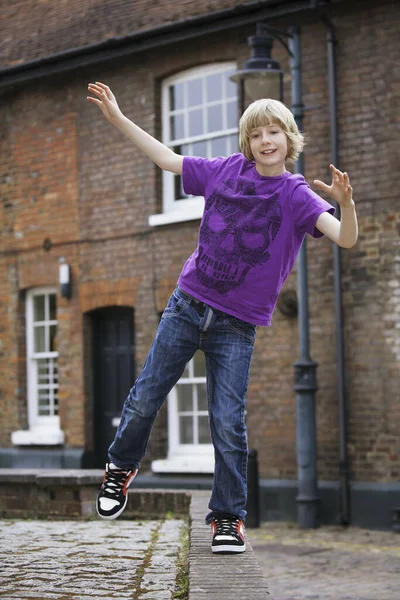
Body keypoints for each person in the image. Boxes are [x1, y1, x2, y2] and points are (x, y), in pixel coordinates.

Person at [87, 81, 358, 554]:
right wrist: (118, 119)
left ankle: (228, 518)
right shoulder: (226, 171)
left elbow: (346, 239)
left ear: (289, 140)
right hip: (187, 305)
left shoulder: (296, 196)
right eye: (257, 134)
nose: (266, 141)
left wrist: (347, 202)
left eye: (274, 132)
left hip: (237, 325)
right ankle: (119, 469)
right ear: (247, 142)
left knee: (228, 421)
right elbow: (169, 160)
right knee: (145, 395)